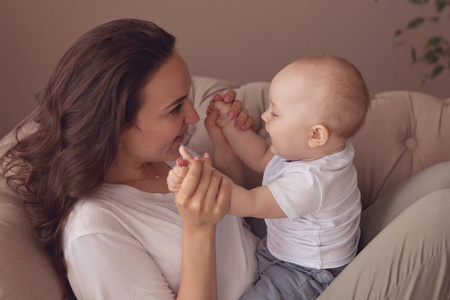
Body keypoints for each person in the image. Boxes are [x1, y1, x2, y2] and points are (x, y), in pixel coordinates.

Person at [0, 19, 260, 300]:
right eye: (175, 108)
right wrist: (198, 231)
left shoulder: (170, 157)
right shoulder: (95, 229)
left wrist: (226, 150)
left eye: (188, 98)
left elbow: (238, 233)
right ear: (117, 126)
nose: (194, 117)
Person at [168, 55, 371, 299]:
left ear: (316, 135)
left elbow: (252, 203)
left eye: (275, 113)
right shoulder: (312, 151)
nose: (264, 116)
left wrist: (199, 182)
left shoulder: (312, 180)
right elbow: (262, 157)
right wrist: (229, 126)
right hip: (282, 252)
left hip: (308, 272)